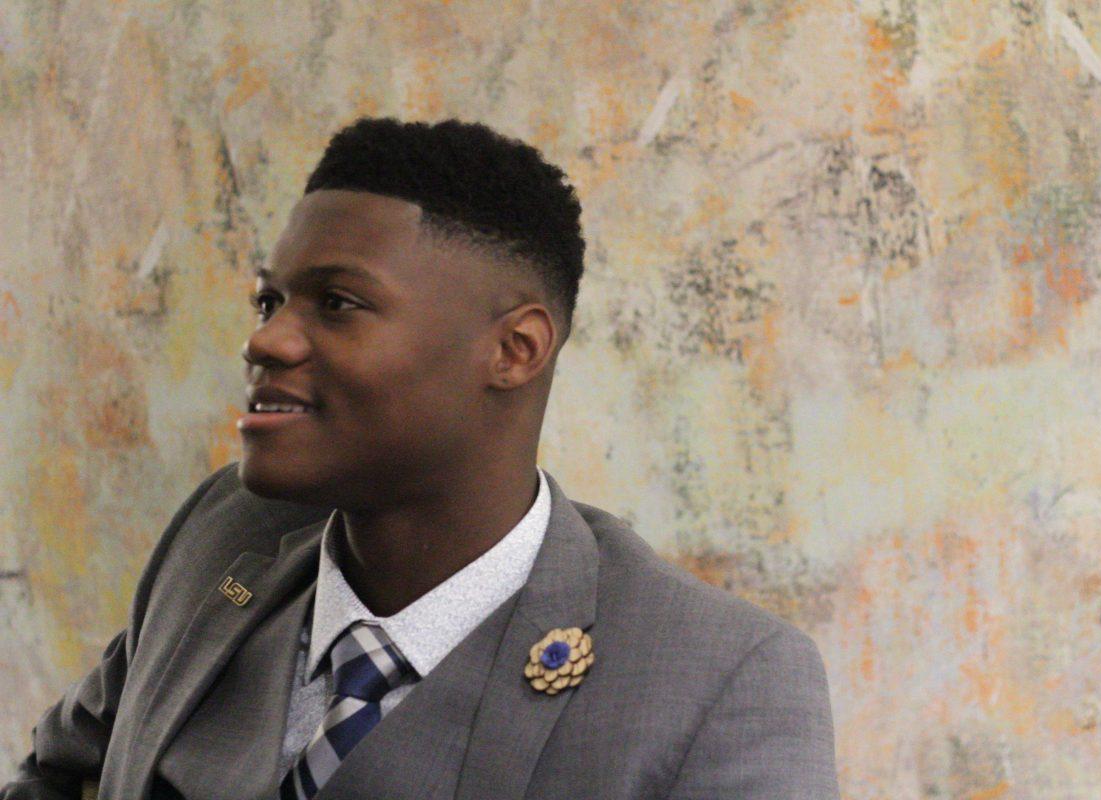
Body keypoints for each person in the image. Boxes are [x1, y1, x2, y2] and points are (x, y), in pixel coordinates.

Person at [3, 118, 839, 799]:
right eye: (270, 299)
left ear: (514, 349)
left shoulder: (716, 680)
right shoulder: (224, 538)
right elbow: (58, 775)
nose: (264, 338)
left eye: (338, 303)